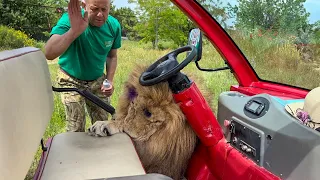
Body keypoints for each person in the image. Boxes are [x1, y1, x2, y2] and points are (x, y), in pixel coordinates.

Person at [45, 0, 122, 132]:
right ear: (84, 5)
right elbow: (49, 53)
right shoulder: (71, 19)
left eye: (104, 10)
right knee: (76, 126)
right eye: (94, 9)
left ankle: (98, 150)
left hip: (97, 79)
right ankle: (75, 150)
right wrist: (74, 31)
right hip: (70, 79)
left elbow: (112, 56)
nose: (100, 14)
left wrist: (109, 80)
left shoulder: (113, 25)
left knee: (103, 124)